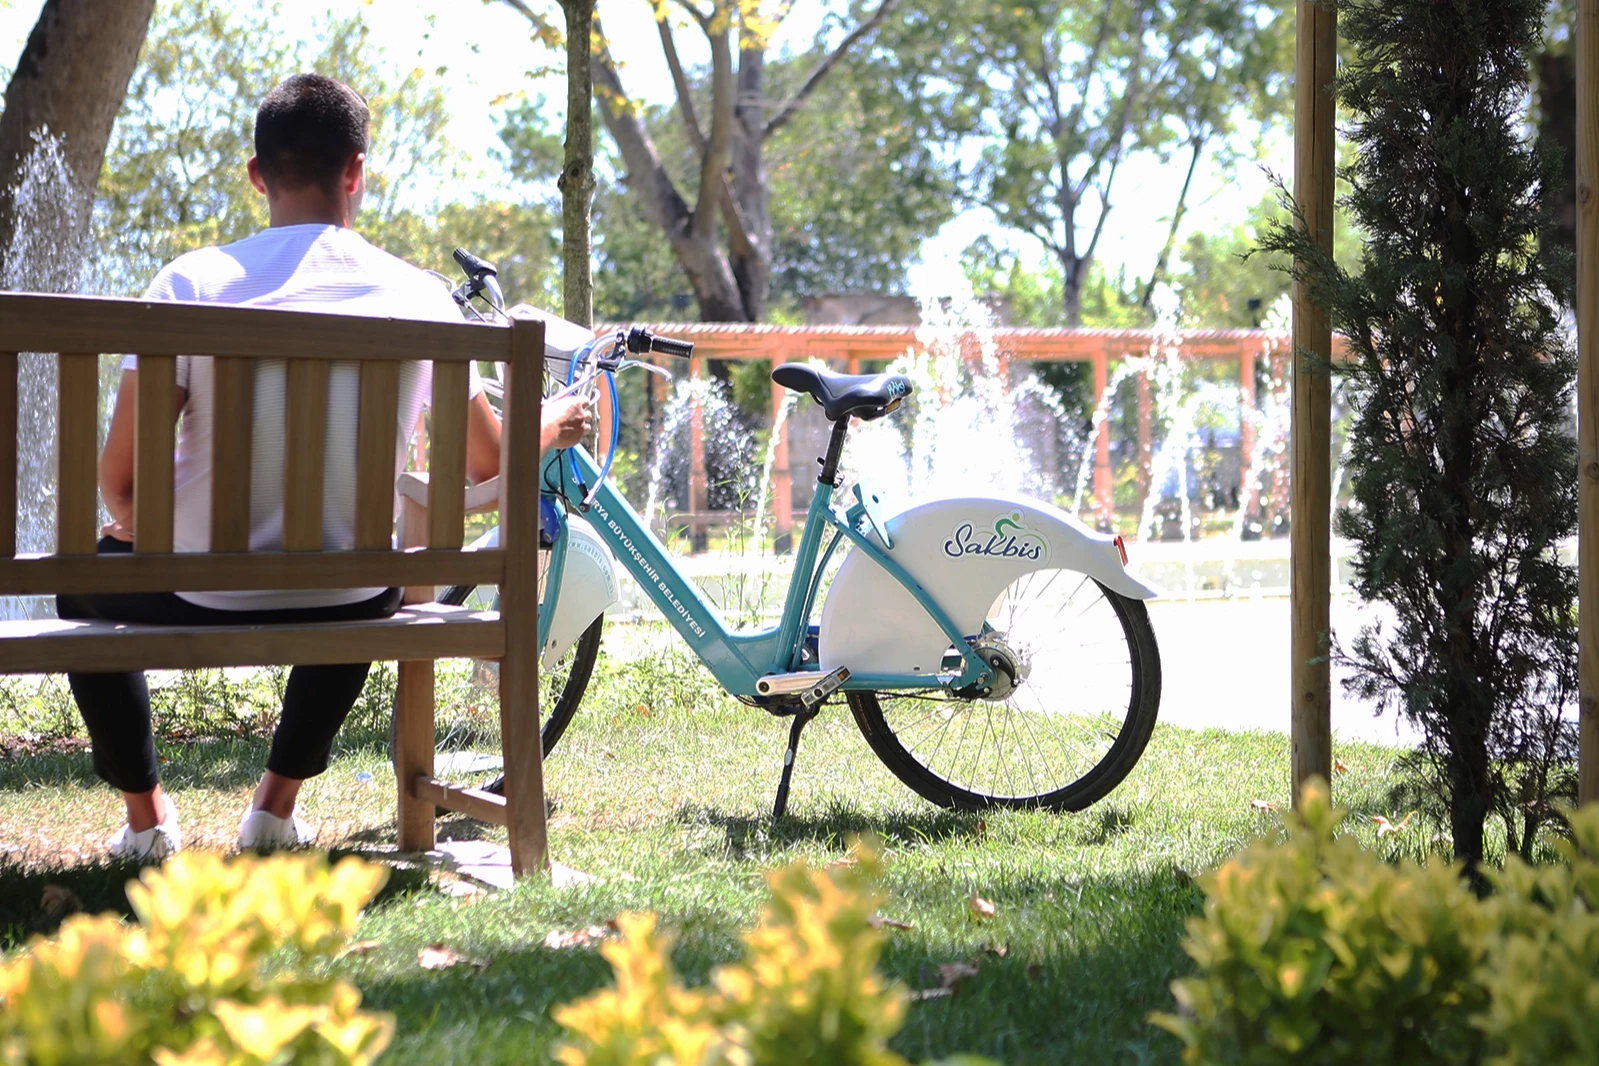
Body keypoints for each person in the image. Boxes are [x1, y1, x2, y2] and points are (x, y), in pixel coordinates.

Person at [60, 74, 593, 861]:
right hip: (352, 591)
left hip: (193, 586)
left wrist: (136, 526)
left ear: (256, 175)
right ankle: (273, 811)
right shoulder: (420, 297)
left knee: (83, 581)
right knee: (364, 566)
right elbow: (486, 462)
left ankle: (147, 821)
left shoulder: (193, 283)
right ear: (357, 171)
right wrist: (546, 423)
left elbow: (119, 482)